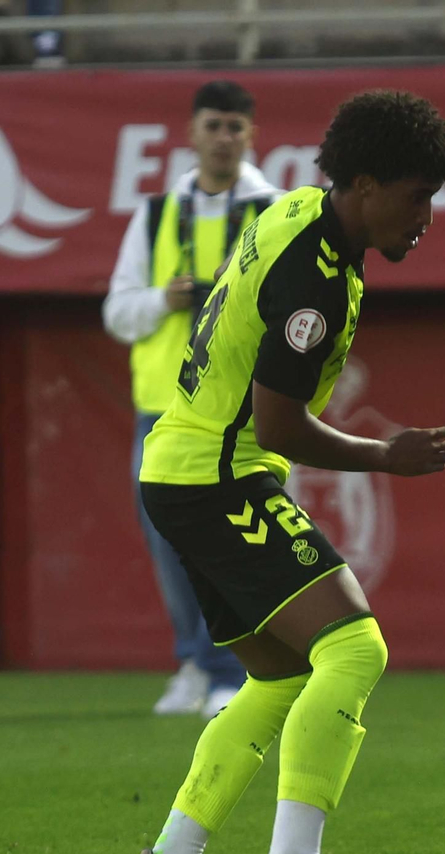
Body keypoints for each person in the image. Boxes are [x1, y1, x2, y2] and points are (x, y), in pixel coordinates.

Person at [124, 90, 445, 854]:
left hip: (181, 465)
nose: (425, 217)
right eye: (418, 196)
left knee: (279, 677)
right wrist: (387, 455)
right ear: (367, 185)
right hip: (219, 474)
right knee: (354, 649)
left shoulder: (297, 211)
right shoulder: (315, 275)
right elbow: (278, 423)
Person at [105, 80, 278, 717]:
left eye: (236, 127)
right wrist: (163, 300)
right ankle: (193, 664)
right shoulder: (153, 215)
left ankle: (235, 669)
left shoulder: (274, 211)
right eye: (214, 125)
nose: (225, 138)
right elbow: (117, 311)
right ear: (192, 133)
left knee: (233, 541)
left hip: (240, 409)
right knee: (166, 541)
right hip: (161, 407)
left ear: (251, 135)